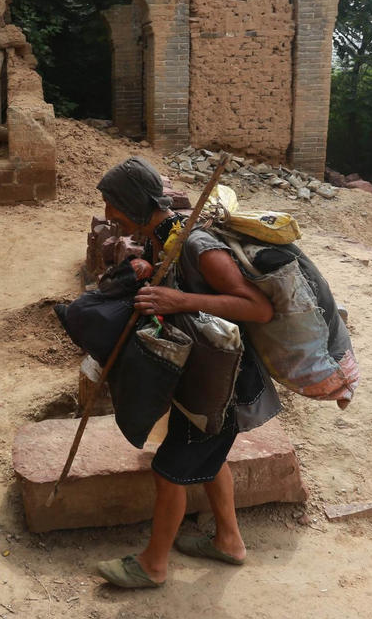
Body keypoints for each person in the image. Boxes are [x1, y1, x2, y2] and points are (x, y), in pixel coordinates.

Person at [92, 156, 280, 589]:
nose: (108, 216)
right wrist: (146, 269)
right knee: (210, 460)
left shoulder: (196, 244)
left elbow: (258, 308)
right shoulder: (163, 238)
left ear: (134, 202)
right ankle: (229, 542)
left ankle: (153, 566)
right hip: (199, 376)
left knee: (169, 468)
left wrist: (180, 303)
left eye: (112, 204)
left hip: (223, 384)